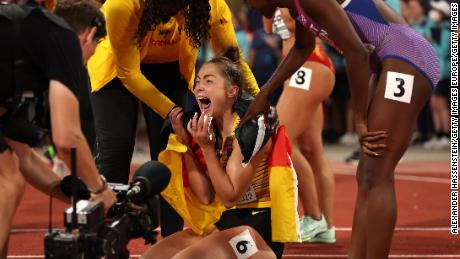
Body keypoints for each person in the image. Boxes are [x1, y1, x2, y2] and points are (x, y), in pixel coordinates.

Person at [241, 0, 440, 258]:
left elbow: (358, 52)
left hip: (407, 56)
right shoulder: (294, 7)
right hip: (389, 62)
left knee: (376, 172)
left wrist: (359, 121)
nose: (248, 5)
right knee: (366, 173)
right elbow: (303, 48)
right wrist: (264, 93)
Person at [86, 0, 260, 237]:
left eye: (181, 6)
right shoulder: (121, 5)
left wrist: (260, 99)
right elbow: (129, 73)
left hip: (170, 69)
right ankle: (103, 239)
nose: (174, 12)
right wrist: (171, 111)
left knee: (170, 154)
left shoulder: (212, 5)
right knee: (116, 148)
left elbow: (232, 60)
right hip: (116, 70)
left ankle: (171, 240)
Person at [142, 47, 300, 259]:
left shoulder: (253, 126)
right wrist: (186, 143)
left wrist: (207, 149)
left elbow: (229, 195)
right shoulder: (208, 129)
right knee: (152, 257)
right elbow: (206, 196)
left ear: (232, 91)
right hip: (226, 224)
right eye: (197, 81)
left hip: (257, 232)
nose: (199, 88)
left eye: (208, 81)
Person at [0, 0, 117, 256]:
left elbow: (26, 159)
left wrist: (82, 197)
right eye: (94, 50)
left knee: (10, 174)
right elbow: (68, 138)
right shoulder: (64, 38)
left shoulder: (24, 48)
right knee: (8, 183)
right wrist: (100, 189)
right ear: (90, 34)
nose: (86, 63)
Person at [263, 8, 336, 243]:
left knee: (279, 140)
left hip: (308, 66)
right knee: (312, 151)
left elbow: (320, 23)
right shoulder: (274, 5)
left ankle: (315, 217)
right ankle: (326, 227)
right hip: (299, 69)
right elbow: (269, 28)